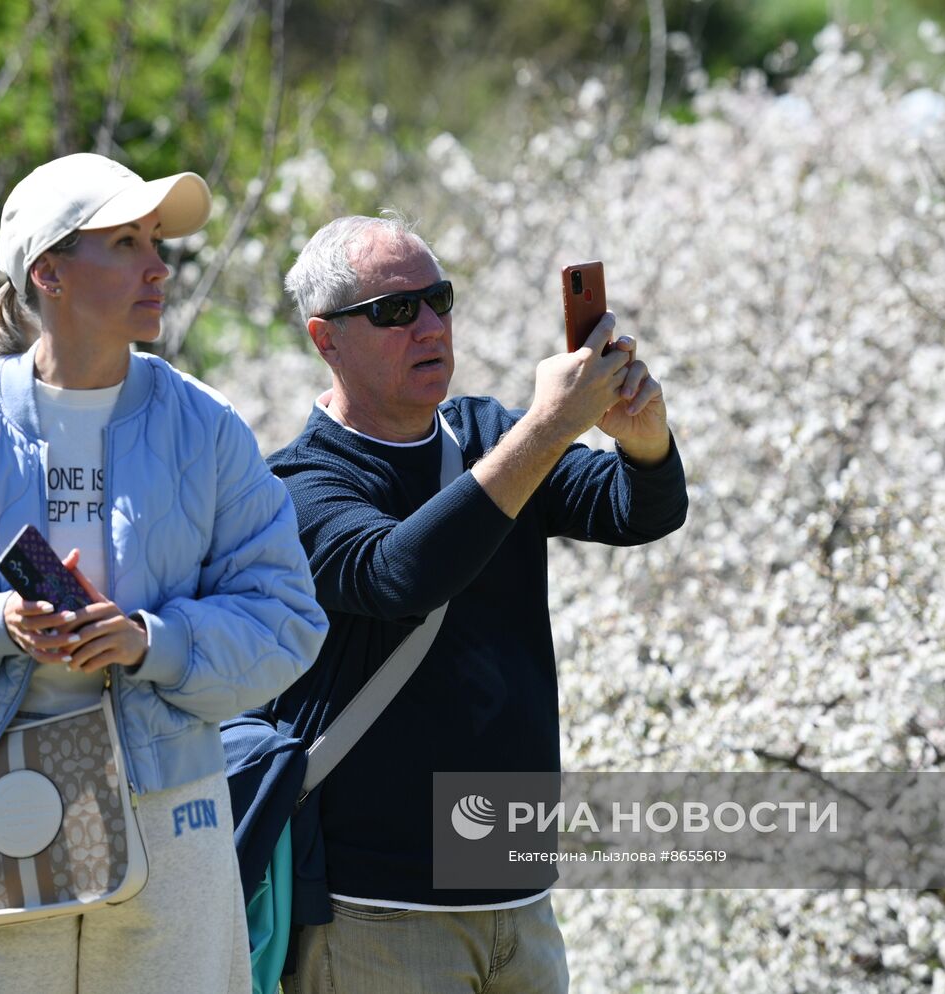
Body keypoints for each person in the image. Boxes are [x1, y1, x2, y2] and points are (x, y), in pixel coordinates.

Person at [0, 152, 328, 994]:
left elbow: (286, 619)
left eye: (156, 241)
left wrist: (148, 643)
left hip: (169, 805)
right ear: (47, 273)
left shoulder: (206, 427)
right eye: (125, 243)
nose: (159, 266)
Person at [261, 214, 688, 992]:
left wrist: (643, 437)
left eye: (438, 299)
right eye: (395, 311)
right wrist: (550, 426)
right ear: (326, 340)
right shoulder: (296, 484)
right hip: (378, 909)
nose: (428, 325)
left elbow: (638, 509)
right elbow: (398, 576)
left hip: (517, 890)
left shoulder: (489, 431)